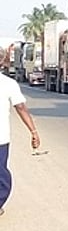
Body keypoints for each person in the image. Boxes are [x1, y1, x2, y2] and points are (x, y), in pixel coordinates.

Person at [1, 71, 40, 216]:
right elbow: (21, 108)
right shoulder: (8, 83)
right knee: (1, 175)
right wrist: (33, 131)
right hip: (1, 138)